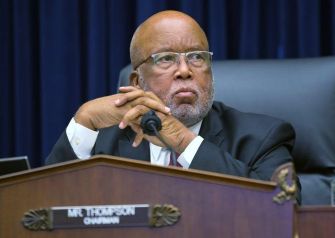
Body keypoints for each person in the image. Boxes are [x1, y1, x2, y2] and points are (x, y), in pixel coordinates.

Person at [46, 10, 297, 184]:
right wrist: (84, 119)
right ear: (136, 82)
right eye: (166, 58)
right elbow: (40, 207)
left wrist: (182, 140)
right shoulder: (105, 143)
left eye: (197, 57)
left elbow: (281, 213)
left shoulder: (263, 138)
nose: (185, 71)